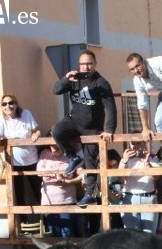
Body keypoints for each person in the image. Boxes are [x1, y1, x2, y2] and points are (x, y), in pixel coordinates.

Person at [50, 50, 116, 207]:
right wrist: (66, 80)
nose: (85, 67)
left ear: (94, 64)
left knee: (90, 160)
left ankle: (90, 194)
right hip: (74, 121)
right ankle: (72, 157)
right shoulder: (74, 79)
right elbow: (56, 90)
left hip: (93, 127)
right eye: (82, 64)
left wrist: (109, 129)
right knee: (57, 130)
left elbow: (110, 107)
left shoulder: (101, 83)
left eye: (88, 63)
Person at [0, 93, 41, 224]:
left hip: (31, 160)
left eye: (11, 103)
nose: (8, 106)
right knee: (19, 193)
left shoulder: (26, 114)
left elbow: (36, 130)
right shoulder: (2, 121)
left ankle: (43, 221)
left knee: (38, 191)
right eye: (4, 104)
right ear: (1, 107)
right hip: (14, 163)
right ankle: (24, 223)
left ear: (16, 104)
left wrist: (35, 135)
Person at [37, 143, 79, 237]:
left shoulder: (70, 154)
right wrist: (56, 175)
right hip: (49, 201)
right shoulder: (45, 153)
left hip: (67, 200)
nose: (53, 149)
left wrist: (67, 182)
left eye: (56, 146)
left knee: (67, 232)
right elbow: (39, 171)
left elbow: (81, 174)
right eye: (51, 146)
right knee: (54, 232)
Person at [119, 140, 159, 233]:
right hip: (130, 197)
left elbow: (156, 177)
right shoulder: (125, 159)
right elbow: (120, 179)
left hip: (148, 198)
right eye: (133, 143)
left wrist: (146, 162)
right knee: (132, 236)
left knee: (149, 235)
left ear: (144, 144)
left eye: (139, 143)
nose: (136, 146)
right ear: (130, 144)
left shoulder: (152, 157)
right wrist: (124, 160)